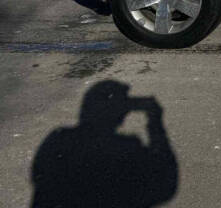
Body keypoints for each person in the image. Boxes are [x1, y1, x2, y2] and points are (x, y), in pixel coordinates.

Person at [31, 80, 178, 207]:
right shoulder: (127, 149)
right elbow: (165, 184)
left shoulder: (59, 140)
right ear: (121, 114)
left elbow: (39, 177)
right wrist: (155, 124)